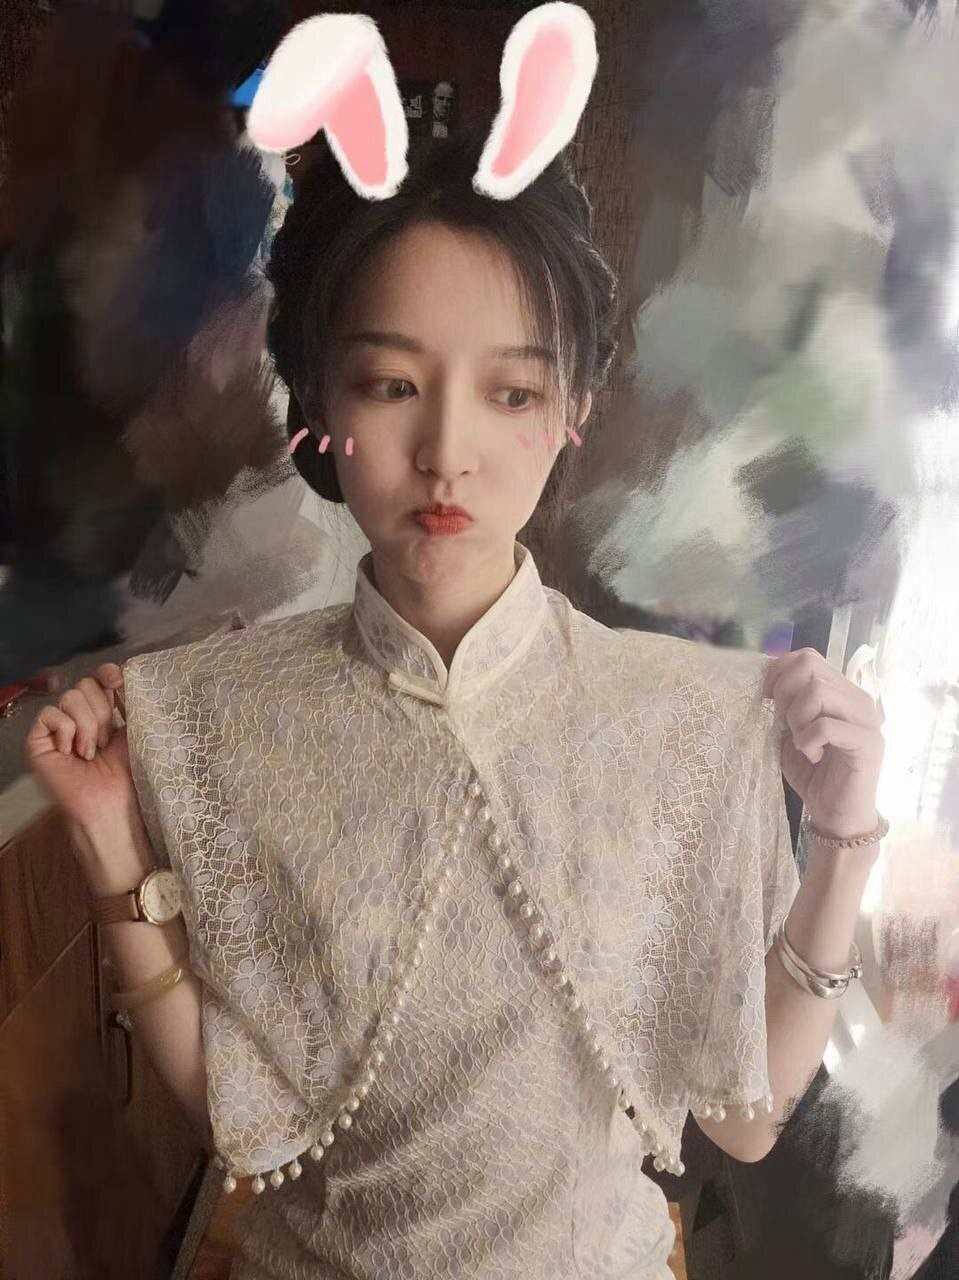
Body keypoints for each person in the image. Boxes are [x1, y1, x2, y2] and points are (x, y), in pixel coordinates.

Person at [26, 127, 886, 1280]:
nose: (445, 452)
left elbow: (745, 1116)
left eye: (509, 390)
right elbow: (243, 1122)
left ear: (573, 407)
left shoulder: (675, 726)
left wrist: (839, 840)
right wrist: (106, 837)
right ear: (319, 398)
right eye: (391, 384)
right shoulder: (217, 717)